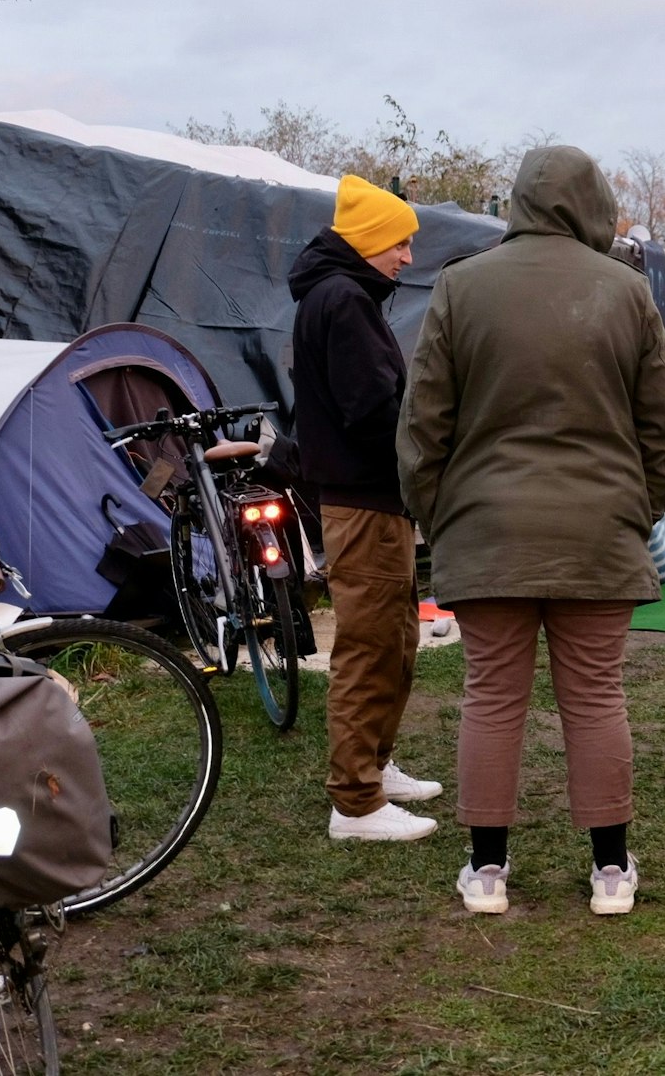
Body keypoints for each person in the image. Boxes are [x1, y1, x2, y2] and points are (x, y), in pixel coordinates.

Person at [398, 145, 665, 916]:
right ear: (593, 202)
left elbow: (423, 425)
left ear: (521, 199)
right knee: (595, 697)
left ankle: (487, 869)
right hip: (599, 529)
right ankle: (611, 870)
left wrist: (440, 517)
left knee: (492, 696)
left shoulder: (460, 285)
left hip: (486, 527)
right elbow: (663, 425)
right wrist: (638, 507)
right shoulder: (628, 291)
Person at [289, 174, 443, 843]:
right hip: (365, 503)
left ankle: (375, 766)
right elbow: (373, 409)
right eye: (399, 243)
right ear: (368, 239)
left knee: (396, 640)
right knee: (368, 648)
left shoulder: (345, 295)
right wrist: (424, 456)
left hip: (375, 501)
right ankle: (354, 803)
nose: (408, 256)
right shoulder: (345, 300)